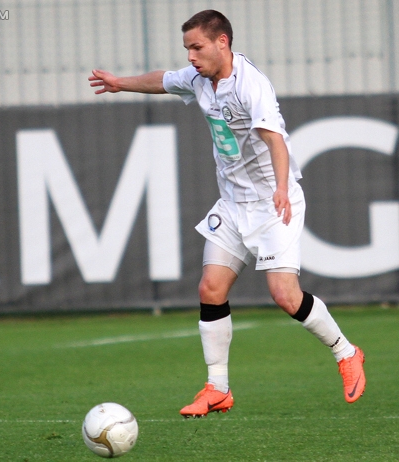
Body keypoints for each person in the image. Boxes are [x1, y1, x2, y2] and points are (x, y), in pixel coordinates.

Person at [89, 9, 366, 418]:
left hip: (274, 204)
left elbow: (276, 141)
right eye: (187, 48)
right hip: (234, 205)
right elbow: (162, 80)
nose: (191, 56)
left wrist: (280, 188)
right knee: (210, 289)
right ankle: (217, 388)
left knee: (284, 296)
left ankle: (346, 352)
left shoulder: (250, 85)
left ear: (222, 42)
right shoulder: (200, 77)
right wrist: (120, 84)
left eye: (197, 47)